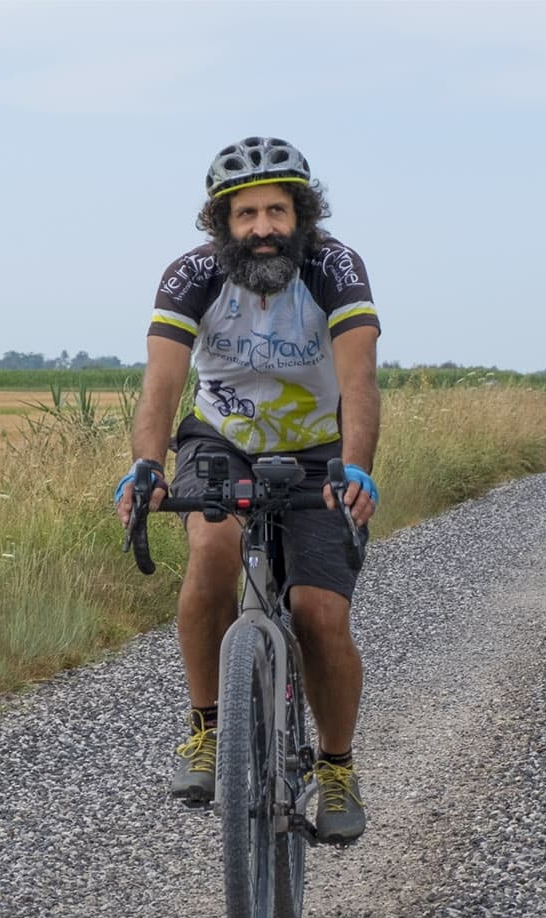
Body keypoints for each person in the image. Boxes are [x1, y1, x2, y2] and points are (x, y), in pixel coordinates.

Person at [115, 137, 380, 844]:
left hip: (321, 446)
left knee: (320, 614)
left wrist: (355, 470)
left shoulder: (335, 268)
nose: (263, 227)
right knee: (212, 552)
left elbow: (359, 381)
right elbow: (162, 382)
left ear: (303, 215)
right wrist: (147, 465)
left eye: (277, 210)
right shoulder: (192, 276)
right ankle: (207, 727)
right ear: (222, 224)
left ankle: (335, 767)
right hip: (219, 439)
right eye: (245, 214)